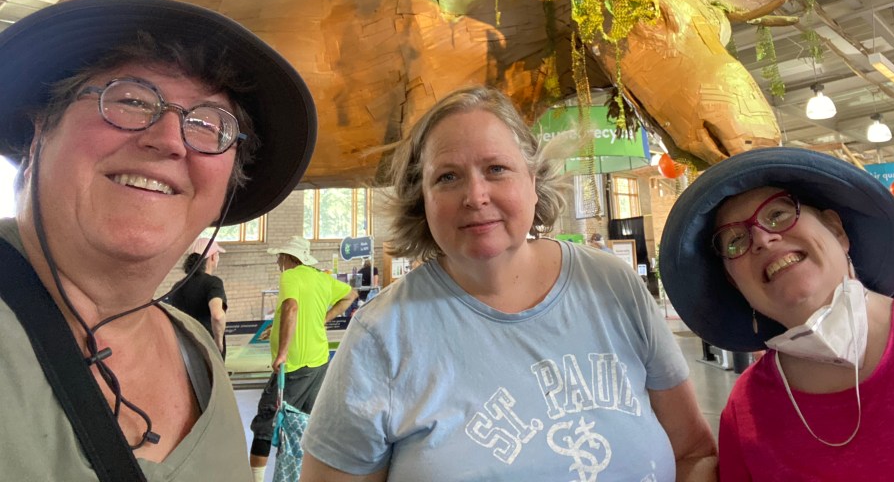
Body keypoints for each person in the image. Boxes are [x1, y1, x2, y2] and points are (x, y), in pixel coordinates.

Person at [300, 86, 718, 481]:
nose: (476, 196)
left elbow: (693, 454)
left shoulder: (612, 286)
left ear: (533, 181)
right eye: (447, 177)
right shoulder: (382, 335)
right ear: (421, 199)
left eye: (496, 169)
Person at [0, 0, 317, 481]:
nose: (169, 139)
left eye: (209, 124)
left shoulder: (197, 353)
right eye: (130, 100)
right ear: (39, 130)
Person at [659, 147, 894, 481]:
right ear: (735, 284)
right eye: (735, 241)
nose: (762, 238)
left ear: (836, 230)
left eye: (778, 214)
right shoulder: (747, 412)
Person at [249, 236, 356, 481]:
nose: (278, 262)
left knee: (266, 422)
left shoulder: (290, 276)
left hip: (294, 365)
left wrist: (282, 353)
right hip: (319, 362)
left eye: (279, 257)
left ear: (289, 258)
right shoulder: (322, 278)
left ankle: (256, 478)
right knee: (305, 422)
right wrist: (323, 318)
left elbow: (292, 308)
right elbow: (351, 295)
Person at [165, 236, 229, 357]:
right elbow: (217, 316)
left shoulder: (177, 286)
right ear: (213, 257)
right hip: (207, 349)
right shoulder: (213, 283)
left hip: (183, 350)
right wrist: (218, 342)